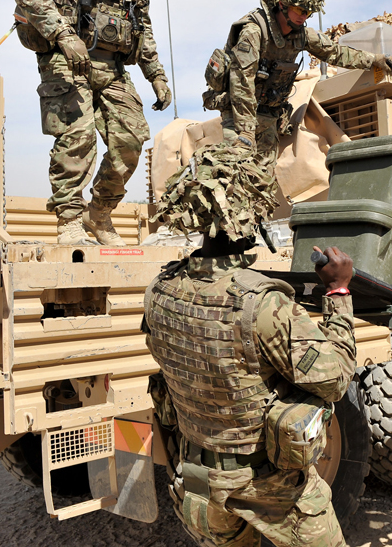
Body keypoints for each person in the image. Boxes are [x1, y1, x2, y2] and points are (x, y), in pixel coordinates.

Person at [144, 146, 357, 546]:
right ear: (250, 214)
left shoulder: (159, 291)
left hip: (198, 480)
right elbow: (336, 379)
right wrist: (338, 290)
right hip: (267, 484)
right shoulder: (262, 303)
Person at [11, 0, 172, 245]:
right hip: (66, 59)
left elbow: (140, 21)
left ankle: (98, 213)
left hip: (111, 67)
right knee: (77, 138)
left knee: (131, 139)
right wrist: (63, 35)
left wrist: (155, 73)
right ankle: (69, 218)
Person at [202, 0, 392, 207]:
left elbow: (334, 52)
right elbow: (241, 84)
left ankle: (249, 231)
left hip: (269, 115)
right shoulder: (254, 32)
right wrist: (245, 133)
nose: (304, 16)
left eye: (309, 12)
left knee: (261, 183)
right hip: (240, 114)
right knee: (235, 177)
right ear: (283, 3)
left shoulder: (300, 35)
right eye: (300, 10)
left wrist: (373, 60)